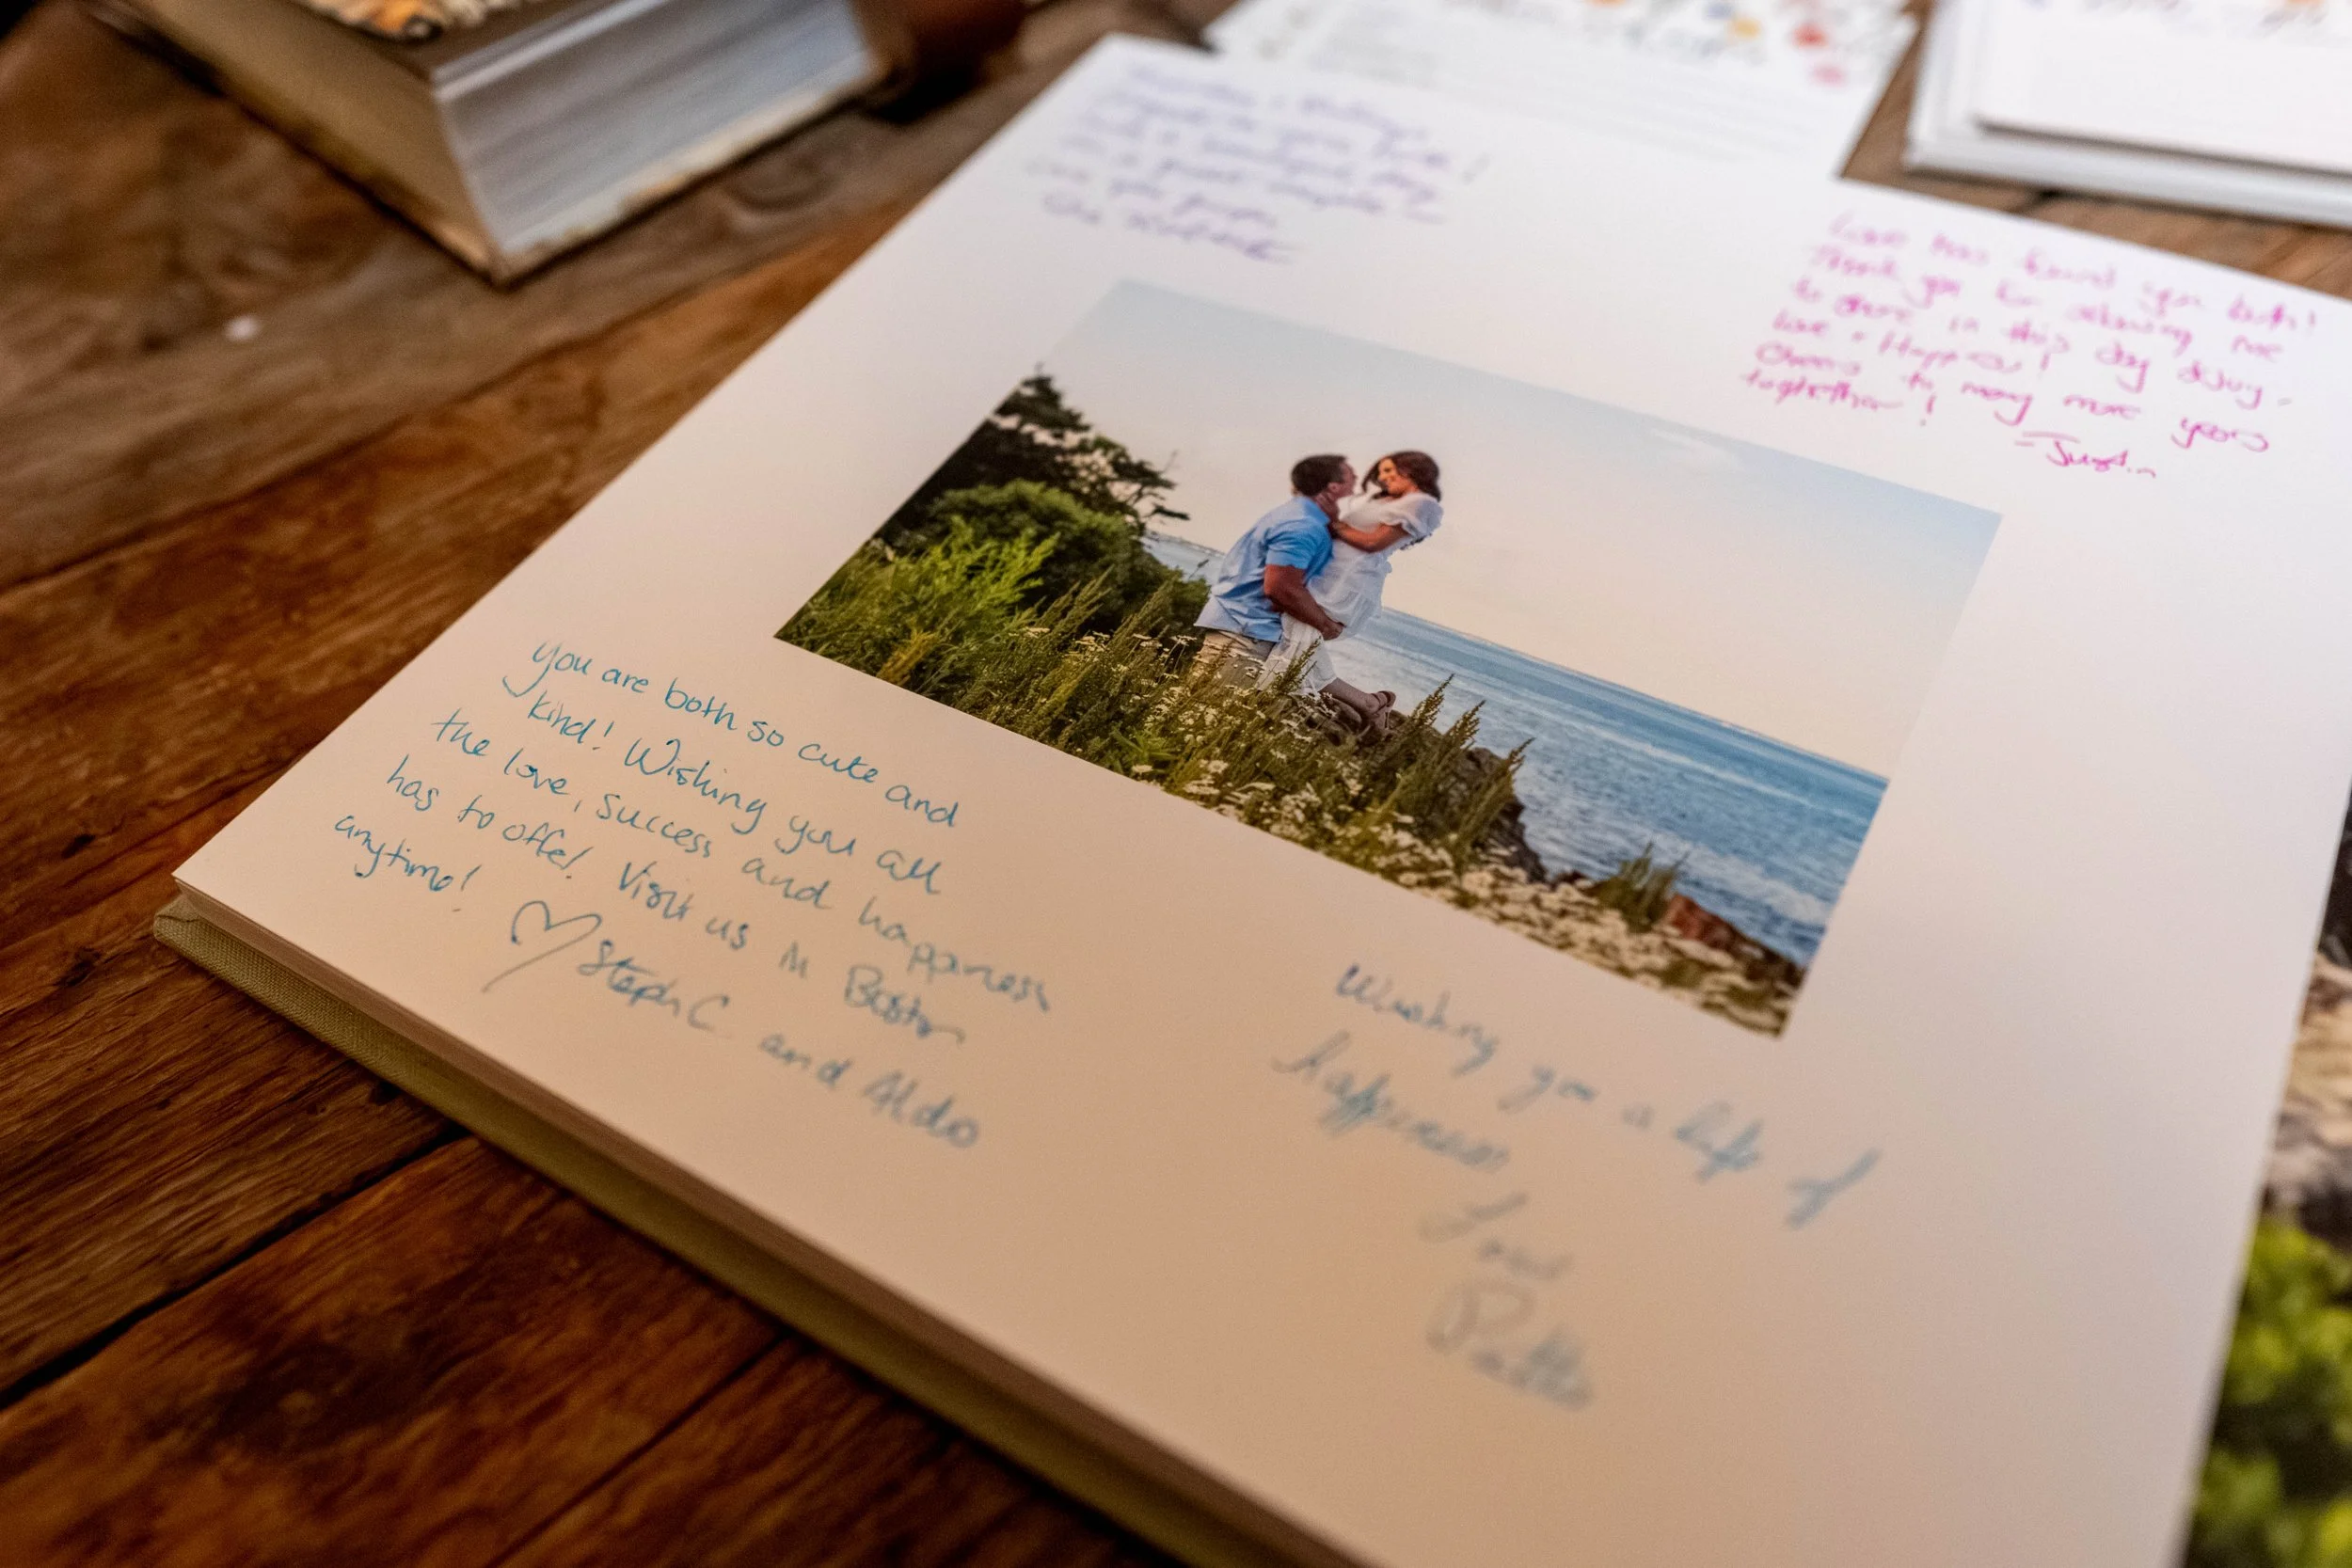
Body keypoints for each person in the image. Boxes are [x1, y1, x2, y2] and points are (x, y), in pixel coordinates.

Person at [1258, 451, 1444, 731]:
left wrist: (1333, 526)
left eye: (1391, 471)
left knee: (1299, 633)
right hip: (1328, 575)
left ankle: (1267, 705)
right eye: (1381, 472)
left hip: (1348, 581)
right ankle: (1370, 703)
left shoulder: (1423, 504)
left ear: (1414, 471)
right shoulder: (1384, 500)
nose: (1383, 478)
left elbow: (1374, 543)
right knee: (1299, 639)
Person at [1192, 454, 1356, 685]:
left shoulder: (1301, 515)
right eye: (1350, 475)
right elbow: (1281, 587)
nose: (1357, 478)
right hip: (1245, 636)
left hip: (1243, 629)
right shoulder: (1302, 525)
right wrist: (1325, 625)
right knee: (1206, 715)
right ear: (1333, 487)